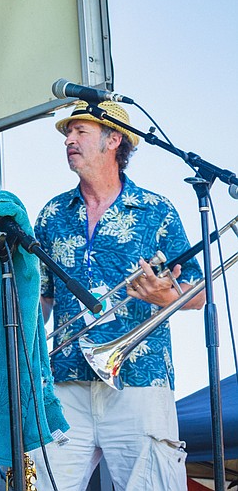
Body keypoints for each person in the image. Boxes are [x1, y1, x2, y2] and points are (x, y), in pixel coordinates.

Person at [30, 101, 205, 490]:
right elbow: (42, 298)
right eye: (68, 133)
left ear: (113, 140)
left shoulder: (156, 210)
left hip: (139, 380)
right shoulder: (52, 213)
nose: (69, 140)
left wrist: (165, 296)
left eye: (80, 131)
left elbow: (198, 292)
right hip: (66, 379)